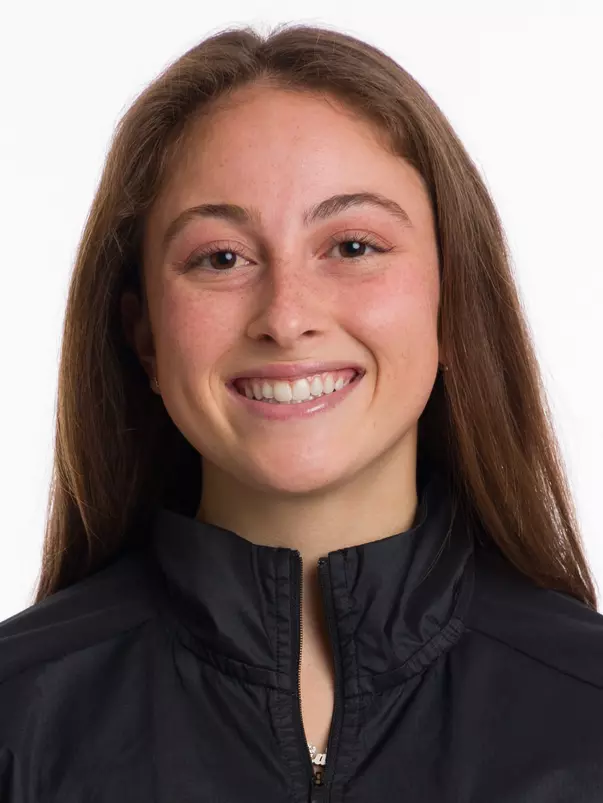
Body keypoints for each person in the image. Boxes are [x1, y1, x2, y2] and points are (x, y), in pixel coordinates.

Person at [0, 21, 601, 803]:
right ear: (144, 336)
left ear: (453, 303)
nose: (285, 318)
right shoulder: (18, 721)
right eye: (221, 258)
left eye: (352, 247)